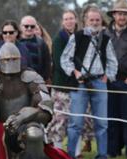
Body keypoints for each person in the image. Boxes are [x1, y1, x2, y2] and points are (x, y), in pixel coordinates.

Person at [61, 6, 118, 159]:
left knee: (102, 123)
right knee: (75, 122)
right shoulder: (77, 37)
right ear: (85, 21)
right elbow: (65, 59)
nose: (94, 22)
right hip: (81, 83)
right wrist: (75, 73)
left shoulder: (106, 39)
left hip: (99, 82)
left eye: (97, 20)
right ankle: (70, 156)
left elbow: (113, 61)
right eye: (91, 19)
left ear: (101, 21)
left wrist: (108, 76)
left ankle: (102, 156)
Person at [104, 0, 127, 159]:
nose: (122, 17)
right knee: (111, 117)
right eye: (119, 13)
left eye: (125, 14)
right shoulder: (105, 33)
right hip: (109, 81)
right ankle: (112, 150)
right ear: (114, 15)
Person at [48, 10, 79, 149]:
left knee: (75, 119)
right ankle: (57, 150)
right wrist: (75, 72)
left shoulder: (78, 37)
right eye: (66, 19)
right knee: (60, 119)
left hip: (75, 86)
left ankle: (75, 151)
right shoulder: (59, 39)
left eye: (71, 18)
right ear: (63, 22)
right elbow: (60, 62)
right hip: (61, 86)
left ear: (76, 20)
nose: (69, 21)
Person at [19, 16, 51, 81]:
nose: (29, 28)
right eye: (26, 26)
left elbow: (47, 65)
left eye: (32, 26)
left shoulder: (42, 44)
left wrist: (42, 79)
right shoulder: (15, 42)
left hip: (36, 82)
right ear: (21, 27)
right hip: (18, 82)